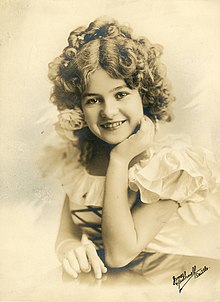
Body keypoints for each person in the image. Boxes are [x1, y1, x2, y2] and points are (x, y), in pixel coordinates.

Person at [42, 16, 220, 282]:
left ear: (144, 94)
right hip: (102, 288)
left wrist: (120, 159)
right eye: (93, 100)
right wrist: (69, 249)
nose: (109, 111)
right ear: (79, 105)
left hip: (165, 285)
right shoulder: (82, 155)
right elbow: (66, 234)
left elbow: (119, 254)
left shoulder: (170, 164)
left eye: (121, 94)